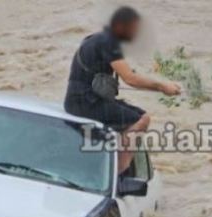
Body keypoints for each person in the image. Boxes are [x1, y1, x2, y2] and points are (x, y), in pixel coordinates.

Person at [64, 6, 181, 174]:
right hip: (86, 103)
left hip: (76, 101)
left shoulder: (95, 39)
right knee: (141, 119)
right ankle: (121, 173)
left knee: (130, 117)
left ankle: (109, 160)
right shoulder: (109, 44)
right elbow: (130, 78)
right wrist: (163, 87)